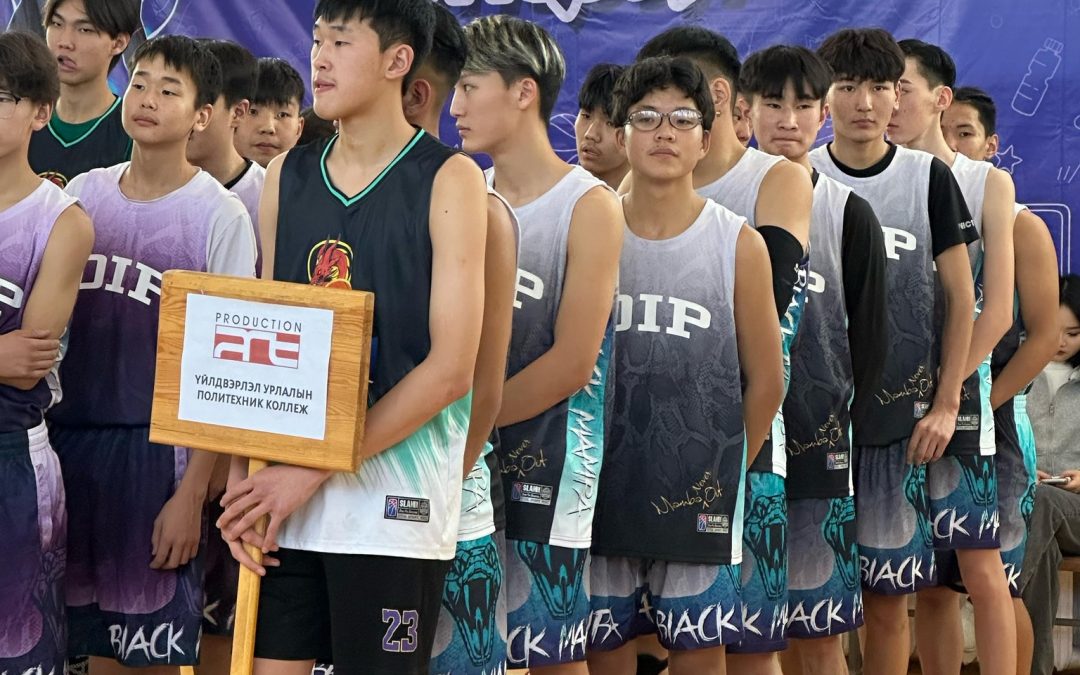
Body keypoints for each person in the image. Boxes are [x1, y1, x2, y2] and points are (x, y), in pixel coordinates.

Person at [217, 2, 487, 673]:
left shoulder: (449, 177)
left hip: (391, 510)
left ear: (398, 61)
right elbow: (266, 342)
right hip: (284, 505)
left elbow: (452, 368)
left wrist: (309, 471)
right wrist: (244, 483)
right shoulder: (287, 175)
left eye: (341, 41)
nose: (320, 58)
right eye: (317, 41)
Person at [45, 35, 255, 673]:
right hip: (68, 446)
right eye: (138, 84)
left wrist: (191, 495)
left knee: (148, 656)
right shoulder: (83, 194)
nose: (146, 99)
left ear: (202, 115)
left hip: (158, 458)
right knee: (85, 654)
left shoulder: (220, 215)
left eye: (169, 90)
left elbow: (227, 374)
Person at [586, 55, 785, 675]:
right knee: (605, 653)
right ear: (622, 134)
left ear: (706, 137)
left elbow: (768, 380)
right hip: (599, 492)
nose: (664, 132)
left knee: (699, 657)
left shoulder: (739, 242)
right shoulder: (587, 231)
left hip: (697, 497)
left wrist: (721, 473)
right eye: (646, 117)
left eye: (682, 119)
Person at [636, 26, 812, 672]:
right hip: (643, 455)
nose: (661, 121)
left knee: (747, 648)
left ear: (712, 94)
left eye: (675, 103)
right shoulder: (626, 193)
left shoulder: (777, 180)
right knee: (640, 639)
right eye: (647, 110)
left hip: (745, 447)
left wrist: (724, 453)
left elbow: (768, 317)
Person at [453, 15, 623, 674]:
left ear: (524, 91)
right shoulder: (464, 194)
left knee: (551, 654)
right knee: (478, 648)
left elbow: (574, 362)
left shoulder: (589, 202)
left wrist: (464, 417)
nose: (455, 107)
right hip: (470, 462)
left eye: (469, 87)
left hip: (551, 467)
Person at [810, 27, 978, 675]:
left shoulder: (927, 177)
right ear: (825, 96)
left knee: (887, 604)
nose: (865, 102)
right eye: (848, 86)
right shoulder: (796, 177)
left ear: (898, 95)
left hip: (898, 429)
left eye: (880, 87)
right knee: (811, 611)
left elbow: (961, 299)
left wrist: (947, 402)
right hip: (812, 427)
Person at [740, 44, 888, 675]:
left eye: (803, 105)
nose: (788, 120)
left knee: (820, 634)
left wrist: (837, 421)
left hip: (816, 447)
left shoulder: (849, 212)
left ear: (823, 114)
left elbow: (872, 344)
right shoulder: (714, 197)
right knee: (743, 638)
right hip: (735, 449)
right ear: (743, 110)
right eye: (773, 104)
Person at [886, 39, 1018, 675]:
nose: (887, 103)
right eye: (879, 88)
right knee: (928, 583)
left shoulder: (985, 181)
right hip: (885, 406)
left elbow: (996, 312)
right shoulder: (867, 177)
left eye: (901, 89)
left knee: (979, 566)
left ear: (940, 98)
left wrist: (944, 392)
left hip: (960, 404)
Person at [402, 5, 518, 674]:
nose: (323, 61)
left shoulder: (481, 209)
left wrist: (440, 484)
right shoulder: (302, 187)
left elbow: (481, 384)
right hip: (327, 506)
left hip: (446, 501)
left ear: (413, 86)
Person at [942, 85, 1061, 675]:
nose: (952, 144)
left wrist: (985, 400)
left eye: (964, 133)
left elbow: (1043, 337)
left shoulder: (1020, 225)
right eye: (945, 132)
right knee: (936, 585)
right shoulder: (919, 211)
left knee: (1000, 582)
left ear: (991, 145)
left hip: (1000, 422)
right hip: (931, 419)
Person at [0, 30, 94, 675]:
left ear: (40, 111)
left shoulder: (61, 221)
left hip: (11, 457)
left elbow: (24, 363)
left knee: (20, 647)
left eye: (2, 97)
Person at [181, 37, 261, 675]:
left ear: (224, 111)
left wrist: (223, 458)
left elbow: (251, 344)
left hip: (225, 445)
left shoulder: (263, 196)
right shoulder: (115, 186)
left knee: (220, 617)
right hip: (152, 438)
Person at [1020, 275, 1080, 675]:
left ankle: (1000, 592)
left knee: (1041, 505)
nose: (1060, 342)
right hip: (1035, 510)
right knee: (1042, 551)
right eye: (1053, 330)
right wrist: (1026, 472)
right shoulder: (1018, 377)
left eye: (1072, 333)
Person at [29, 0, 140, 186]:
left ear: (118, 43)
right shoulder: (22, 115)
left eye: (84, 30)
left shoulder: (133, 133)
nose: (65, 42)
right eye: (57, 24)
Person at [233, 57, 305, 168]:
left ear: (299, 128)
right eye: (253, 112)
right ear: (233, 117)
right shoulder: (206, 177)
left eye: (282, 115)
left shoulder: (314, 178)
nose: (268, 128)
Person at [573, 63, 629, 190]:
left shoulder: (654, 199)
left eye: (610, 123)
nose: (591, 134)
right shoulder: (558, 194)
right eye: (586, 116)